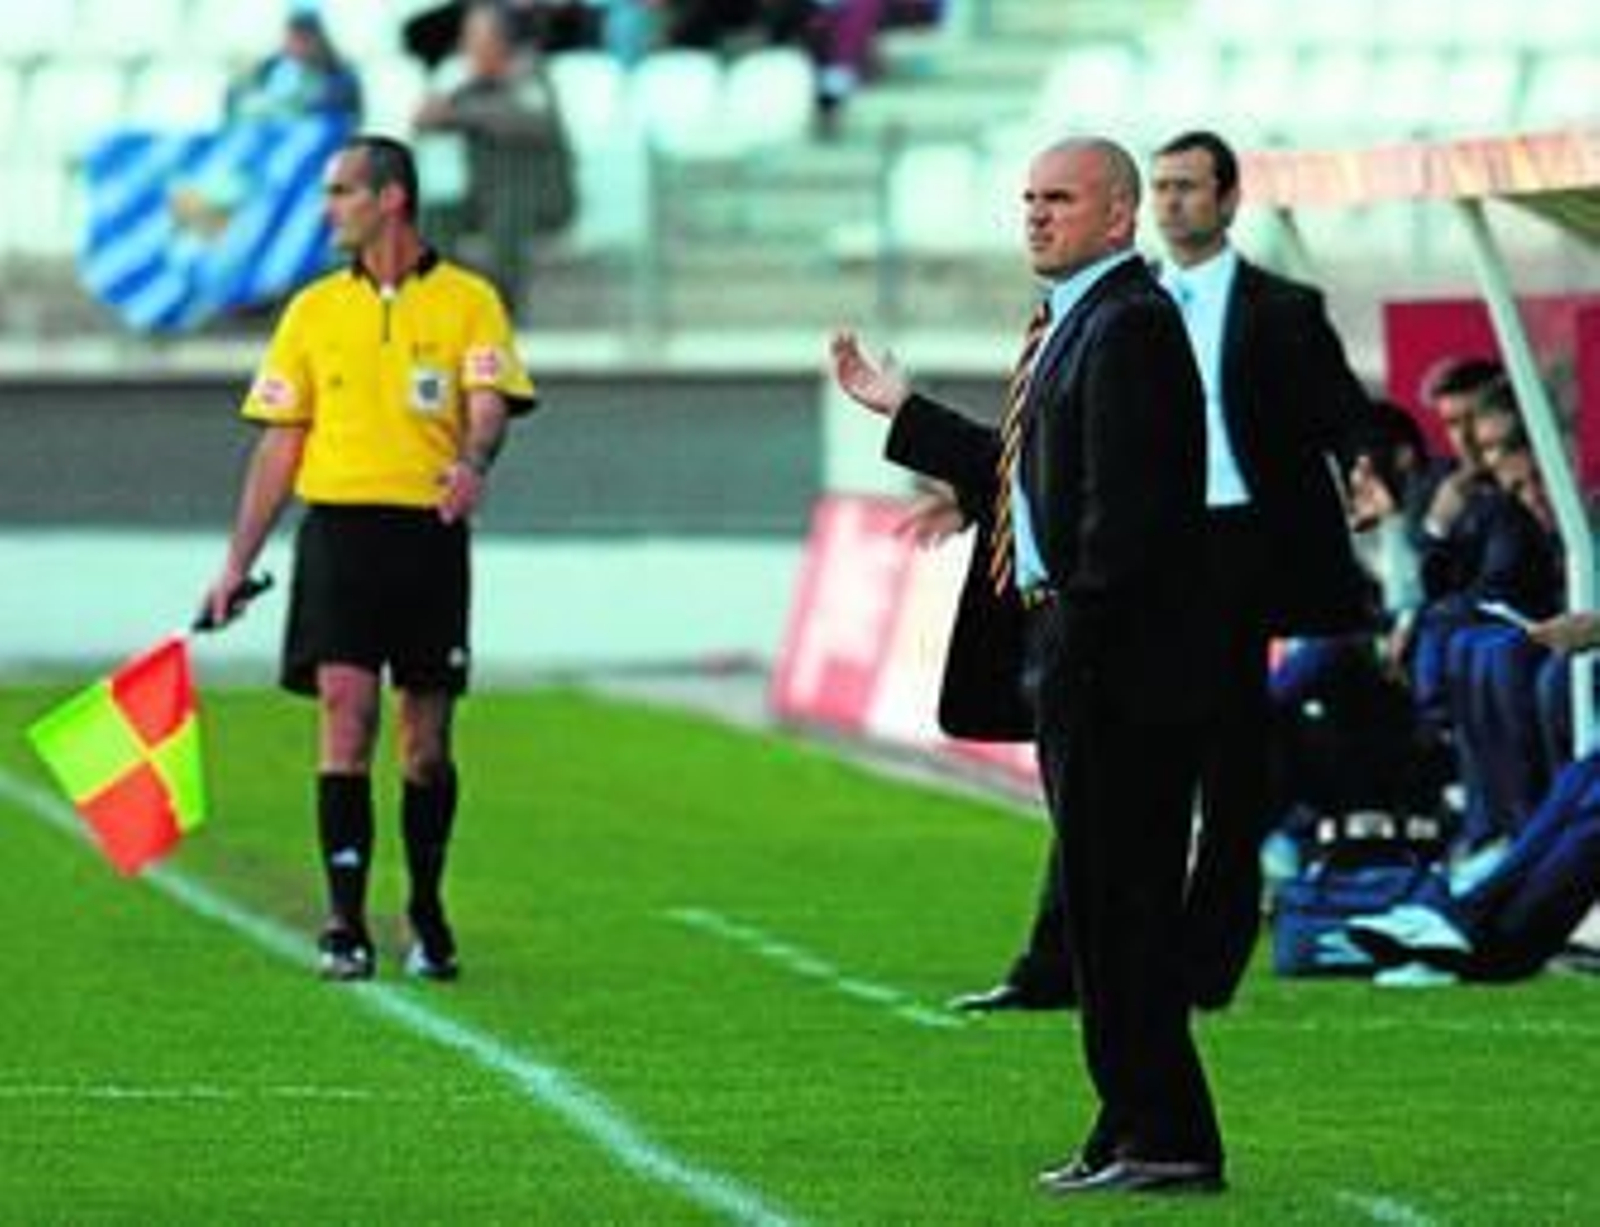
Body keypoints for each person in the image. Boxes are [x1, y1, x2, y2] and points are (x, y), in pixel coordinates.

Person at [832, 136, 1224, 1196]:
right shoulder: (1080, 321)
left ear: (1116, 217)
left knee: (1124, 908)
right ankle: (1131, 1121)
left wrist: (1080, 647)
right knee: (1104, 910)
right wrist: (903, 416)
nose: (1036, 216)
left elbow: (1126, 518)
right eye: (1027, 199)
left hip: (1114, 666)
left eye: (1059, 199)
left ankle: (1165, 1135)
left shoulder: (1129, 324)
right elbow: (1031, 468)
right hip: (1084, 654)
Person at [951, 128, 1376, 1017]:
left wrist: (1372, 467)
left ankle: (1204, 966)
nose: (1178, 200)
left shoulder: (1279, 309)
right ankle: (1055, 959)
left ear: (1225, 200)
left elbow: (1342, 415)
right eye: (1167, 185)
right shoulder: (1111, 307)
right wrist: (972, 496)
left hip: (1242, 556)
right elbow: (1064, 456)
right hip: (1145, 556)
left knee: (1228, 772)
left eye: (1191, 186)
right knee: (1108, 773)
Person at [201, 134, 537, 982]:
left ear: (391, 198)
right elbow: (281, 444)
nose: (328, 205)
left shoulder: (469, 300)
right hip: (338, 535)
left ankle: (425, 907)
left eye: (342, 189)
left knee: (424, 741)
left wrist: (472, 463)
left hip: (427, 537)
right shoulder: (312, 311)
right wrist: (237, 560)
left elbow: (489, 405)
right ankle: (345, 921)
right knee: (344, 715)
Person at [413, 1, 576, 318]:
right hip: (481, 197)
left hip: (543, 197)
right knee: (436, 211)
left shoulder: (531, 73)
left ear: (501, 41)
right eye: (468, 38)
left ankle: (503, 307)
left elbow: (533, 121)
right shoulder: (465, 81)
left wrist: (462, 115)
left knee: (511, 205)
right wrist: (436, 109)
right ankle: (435, 299)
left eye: (477, 38)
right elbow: (423, 122)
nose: (468, 46)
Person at [226, 8, 364, 125]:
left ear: (316, 40)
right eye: (291, 39)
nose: (295, 46)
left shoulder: (339, 75)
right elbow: (240, 92)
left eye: (302, 40)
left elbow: (334, 113)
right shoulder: (273, 65)